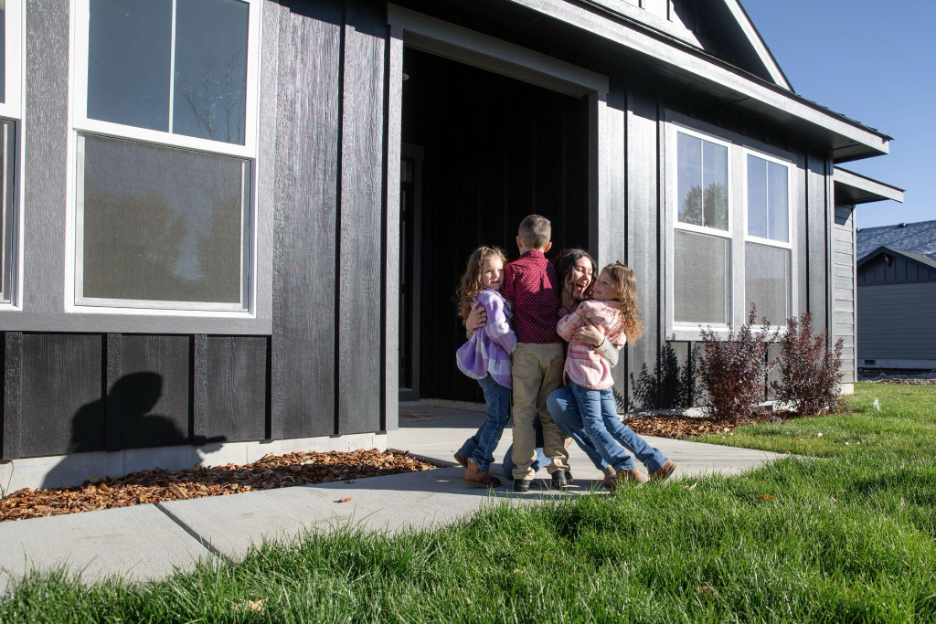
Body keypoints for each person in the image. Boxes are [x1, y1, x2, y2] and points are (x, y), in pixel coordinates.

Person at [556, 262, 677, 491]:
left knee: (593, 427)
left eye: (604, 282)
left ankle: (624, 467)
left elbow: (562, 330)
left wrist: (568, 317)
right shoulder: (621, 316)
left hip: (584, 378)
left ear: (619, 290)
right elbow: (618, 343)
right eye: (598, 280)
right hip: (603, 379)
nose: (596, 284)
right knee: (614, 425)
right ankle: (658, 461)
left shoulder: (588, 307)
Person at [501, 215, 569, 492]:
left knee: (524, 412)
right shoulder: (554, 271)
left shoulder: (512, 270)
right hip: (554, 349)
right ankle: (559, 470)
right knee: (549, 413)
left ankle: (522, 474)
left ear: (518, 241)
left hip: (526, 348)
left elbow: (506, 307)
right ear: (549, 245)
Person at [453, 246, 516, 488]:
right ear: (477, 275)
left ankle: (468, 452)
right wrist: (516, 349)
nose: (496, 275)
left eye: (499, 269)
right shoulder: (490, 297)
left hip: (488, 367)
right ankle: (478, 467)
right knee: (498, 418)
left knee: (496, 415)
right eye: (488, 271)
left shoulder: (485, 296)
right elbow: (498, 330)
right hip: (494, 367)